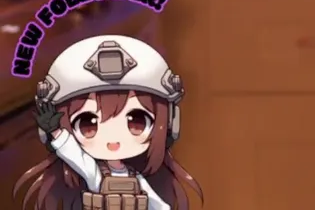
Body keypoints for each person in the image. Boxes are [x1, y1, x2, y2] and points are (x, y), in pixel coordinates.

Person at [13, 35, 202, 210]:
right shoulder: (95, 174)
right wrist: (56, 132)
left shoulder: (135, 179)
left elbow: (158, 206)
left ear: (170, 124)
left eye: (136, 121)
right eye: (88, 123)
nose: (113, 137)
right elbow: (75, 155)